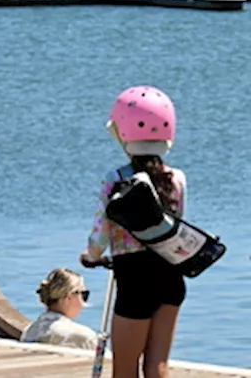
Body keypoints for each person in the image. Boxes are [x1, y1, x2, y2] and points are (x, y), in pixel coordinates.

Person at [80, 86, 187, 378]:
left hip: (135, 279)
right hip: (170, 274)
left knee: (125, 370)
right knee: (158, 366)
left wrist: (90, 256)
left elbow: (101, 234)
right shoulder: (177, 179)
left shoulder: (116, 179)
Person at [20, 268, 97, 350]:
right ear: (69, 298)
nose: (83, 303)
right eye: (84, 295)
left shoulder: (29, 332)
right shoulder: (84, 337)